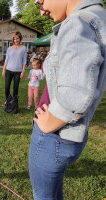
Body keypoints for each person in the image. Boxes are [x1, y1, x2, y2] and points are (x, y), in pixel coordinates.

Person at [29, 0, 106, 199]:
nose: (41, 12)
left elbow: (76, 91)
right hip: (65, 135)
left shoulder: (79, 22)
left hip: (53, 135)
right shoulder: (98, 17)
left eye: (40, 2)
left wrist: (51, 122)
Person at [1, 31, 27, 107]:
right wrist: (3, 69)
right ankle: (7, 101)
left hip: (18, 72)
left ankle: (14, 103)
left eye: (17, 38)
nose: (16, 40)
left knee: (15, 88)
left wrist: (23, 71)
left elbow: (24, 60)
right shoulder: (9, 48)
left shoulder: (24, 48)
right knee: (6, 87)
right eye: (14, 39)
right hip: (9, 70)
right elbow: (6, 60)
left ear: (20, 39)